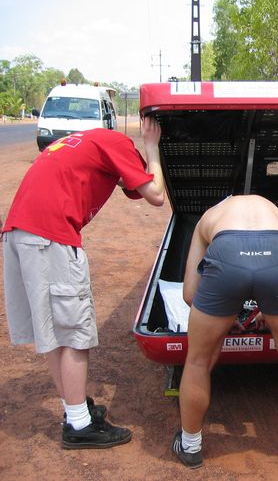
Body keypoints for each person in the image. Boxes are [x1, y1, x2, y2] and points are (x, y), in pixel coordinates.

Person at [2, 117, 166, 449]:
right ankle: (79, 426)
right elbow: (156, 195)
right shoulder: (118, 144)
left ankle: (76, 411)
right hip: (50, 236)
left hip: (21, 233)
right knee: (75, 333)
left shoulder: (83, 142)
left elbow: (128, 186)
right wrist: (153, 149)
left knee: (56, 332)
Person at [171, 194, 278, 469]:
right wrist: (271, 310)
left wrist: (224, 316)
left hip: (226, 252)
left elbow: (190, 293)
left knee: (198, 361)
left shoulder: (209, 218)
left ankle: (190, 447)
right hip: (276, 251)